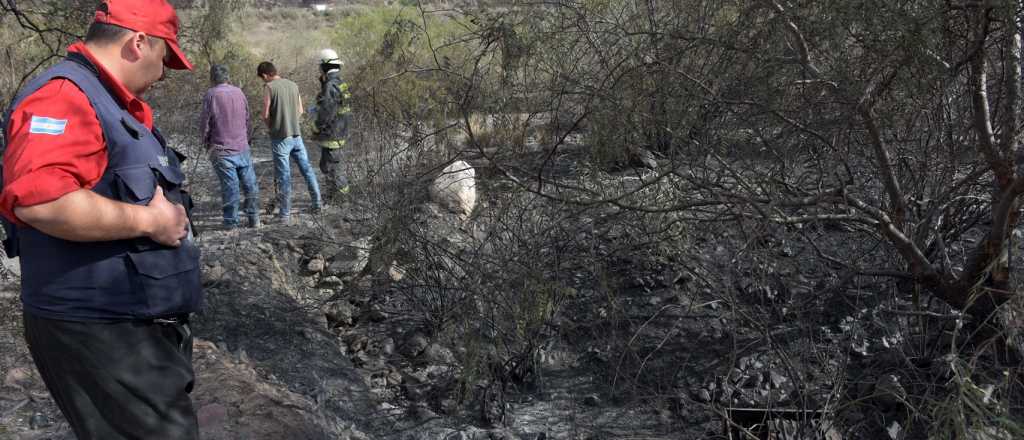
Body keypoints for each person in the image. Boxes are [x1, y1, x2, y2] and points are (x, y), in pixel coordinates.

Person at [0, 0, 202, 438]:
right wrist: (151, 223)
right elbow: (41, 202)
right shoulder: (62, 97)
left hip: (129, 326)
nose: (164, 72)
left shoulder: (108, 102)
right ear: (138, 43)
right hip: (100, 329)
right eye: (164, 58)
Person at [257, 61, 321, 223]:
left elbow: (265, 114)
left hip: (280, 138)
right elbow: (300, 110)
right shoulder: (293, 85)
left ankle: (285, 214)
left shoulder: (269, 88)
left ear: (265, 75)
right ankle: (317, 204)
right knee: (307, 170)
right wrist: (291, 122)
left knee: (283, 176)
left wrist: (273, 127)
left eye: (262, 78)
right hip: (296, 136)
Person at [199, 64, 260, 228]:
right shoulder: (239, 92)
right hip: (242, 146)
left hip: (221, 149)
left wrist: (205, 142)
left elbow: (205, 123)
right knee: (250, 184)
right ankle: (254, 218)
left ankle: (231, 222)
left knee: (230, 186)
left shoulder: (210, 94)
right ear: (228, 77)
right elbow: (248, 119)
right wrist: (248, 139)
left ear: (212, 78)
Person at [313, 48, 352, 203]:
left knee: (333, 168)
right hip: (340, 130)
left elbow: (327, 111)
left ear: (324, 66)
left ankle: (341, 200)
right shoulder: (339, 83)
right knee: (327, 165)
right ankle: (333, 196)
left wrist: (317, 127)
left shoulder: (330, 86)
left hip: (332, 133)